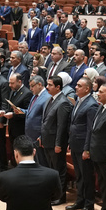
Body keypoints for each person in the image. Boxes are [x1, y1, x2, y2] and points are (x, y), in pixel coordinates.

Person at [66, 77, 99, 210]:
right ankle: (80, 200)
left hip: (83, 146)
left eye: (79, 86)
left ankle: (89, 203)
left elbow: (90, 130)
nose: (76, 87)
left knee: (87, 176)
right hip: (75, 144)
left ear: (87, 88)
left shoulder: (91, 105)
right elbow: (74, 124)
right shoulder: (78, 101)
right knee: (79, 175)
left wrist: (87, 149)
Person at [38, 74, 72, 202]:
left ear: (58, 87)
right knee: (51, 170)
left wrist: (58, 144)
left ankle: (60, 196)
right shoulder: (49, 99)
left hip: (56, 143)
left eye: (50, 85)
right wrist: (41, 137)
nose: (47, 87)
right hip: (47, 140)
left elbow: (61, 126)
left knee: (59, 170)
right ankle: (53, 193)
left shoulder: (63, 102)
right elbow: (44, 122)